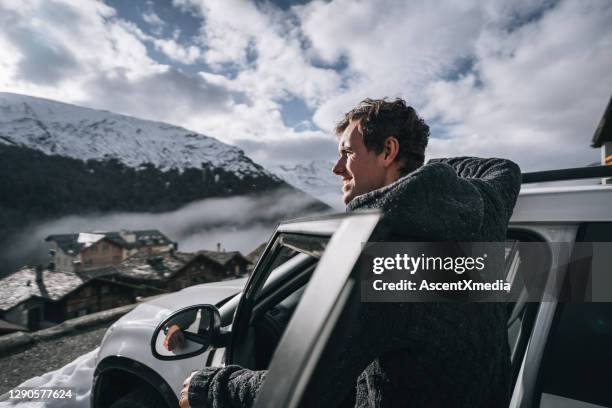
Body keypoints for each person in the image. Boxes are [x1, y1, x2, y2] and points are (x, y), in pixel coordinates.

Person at [179, 98, 521, 408]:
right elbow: (505, 168)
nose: (336, 168)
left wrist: (209, 388)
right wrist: (421, 174)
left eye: (347, 153)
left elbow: (305, 390)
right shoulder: (483, 211)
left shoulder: (388, 262)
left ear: (387, 151)